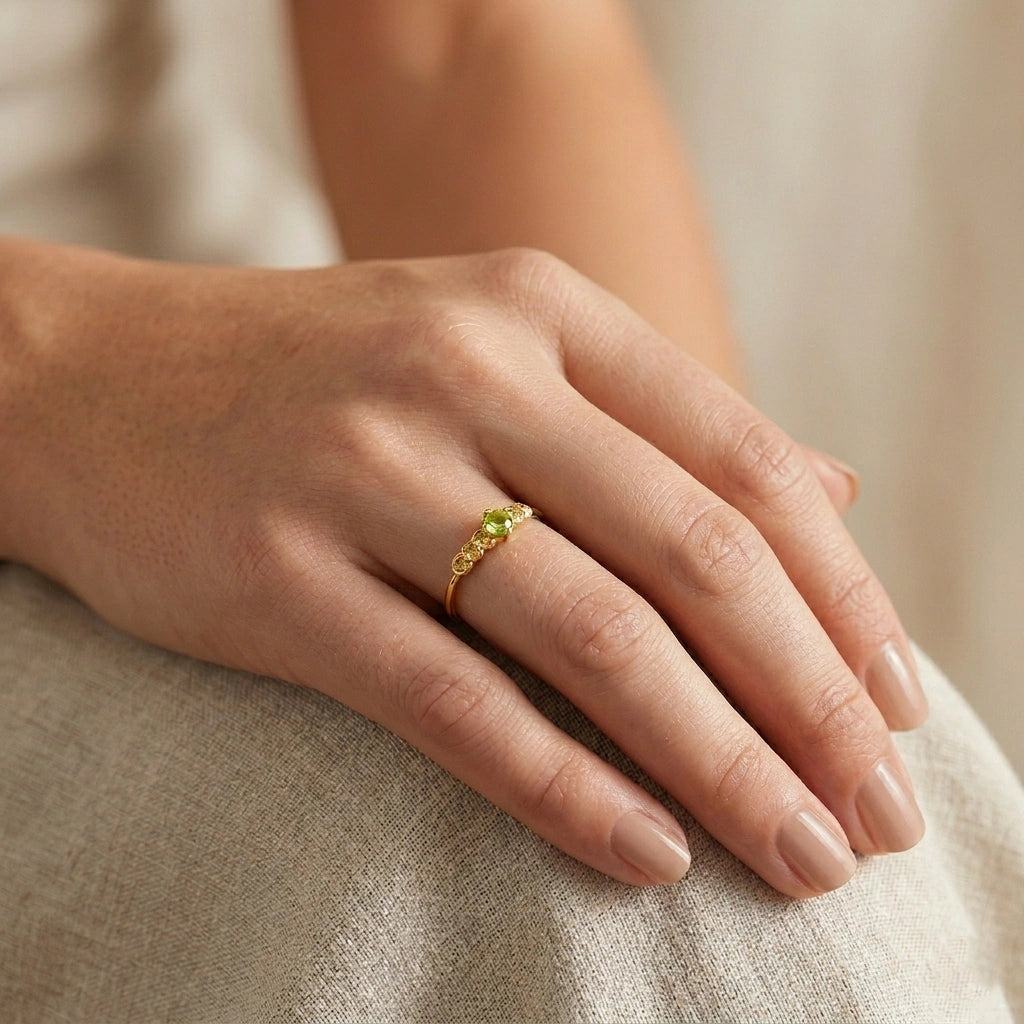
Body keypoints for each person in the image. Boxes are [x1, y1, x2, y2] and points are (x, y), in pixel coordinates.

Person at [1, 2, 1021, 1021]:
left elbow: (461, 40)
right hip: (103, 377)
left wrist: (661, 524)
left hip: (218, 322)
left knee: (755, 779)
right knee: (566, 891)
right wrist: (61, 370)